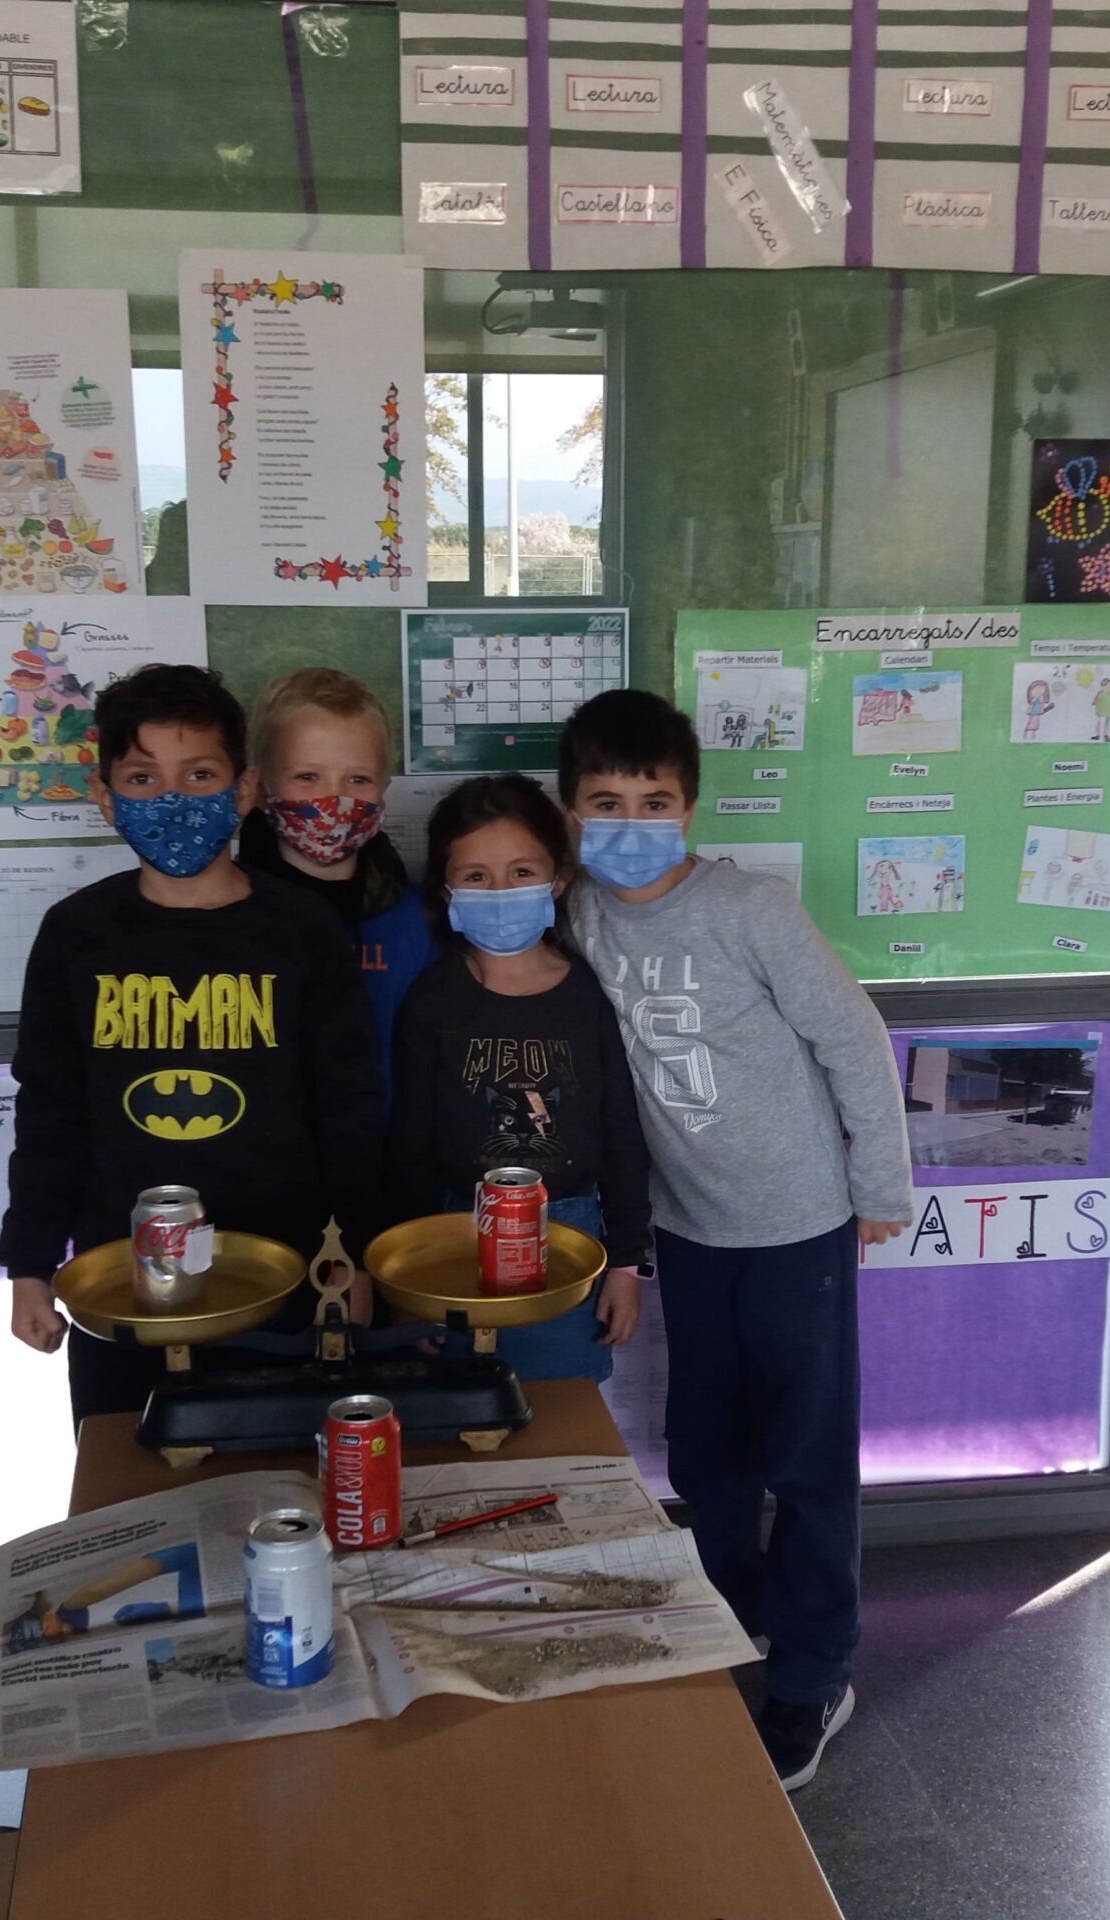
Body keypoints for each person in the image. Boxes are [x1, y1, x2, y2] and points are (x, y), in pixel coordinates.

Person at [558, 688, 912, 1794]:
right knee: (707, 1451)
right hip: (690, 1228)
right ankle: (731, 1615)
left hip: (799, 1223)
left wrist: (879, 1185)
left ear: (690, 809)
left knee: (806, 1459)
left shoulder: (747, 908)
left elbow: (852, 1038)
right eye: (604, 802)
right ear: (570, 813)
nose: (630, 824)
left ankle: (815, 1670)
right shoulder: (576, 913)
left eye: (654, 801)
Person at [0, 664, 386, 1422]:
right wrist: (30, 1265)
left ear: (243, 791)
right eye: (142, 779)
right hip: (122, 1282)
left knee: (284, 1469)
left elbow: (348, 1106)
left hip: (287, 1279)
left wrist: (359, 1254)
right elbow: (49, 1111)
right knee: (133, 1473)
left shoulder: (304, 931)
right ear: (105, 796)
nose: (172, 799)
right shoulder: (76, 934)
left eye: (199, 774)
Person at [388, 774, 648, 1380]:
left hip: (571, 1236)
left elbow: (621, 1133)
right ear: (446, 889)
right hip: (451, 1236)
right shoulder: (432, 999)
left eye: (521, 872)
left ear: (558, 879)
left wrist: (627, 1264)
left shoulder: (590, 995)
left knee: (561, 1406)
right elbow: (409, 1145)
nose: (500, 891)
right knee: (463, 1405)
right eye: (476, 876)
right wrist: (405, 1278)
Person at [237, 667, 435, 1089]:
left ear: (383, 787)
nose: (335, 799)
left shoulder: (418, 920)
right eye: (307, 777)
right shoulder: (227, 915)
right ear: (260, 789)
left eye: (358, 779)